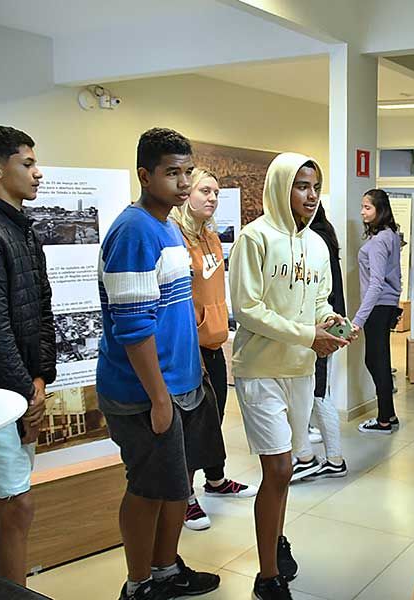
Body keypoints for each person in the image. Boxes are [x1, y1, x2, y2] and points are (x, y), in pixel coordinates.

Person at [97, 128, 221, 600]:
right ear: (145, 175)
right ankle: (139, 584)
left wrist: (193, 372)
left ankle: (167, 569)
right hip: (145, 393)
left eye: (188, 171)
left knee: (175, 486)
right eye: (173, 173)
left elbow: (175, 313)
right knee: (148, 488)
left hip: (181, 384)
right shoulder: (133, 230)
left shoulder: (167, 225)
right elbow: (133, 328)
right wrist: (159, 398)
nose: (184, 182)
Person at [230, 152, 349, 600]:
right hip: (260, 370)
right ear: (281, 187)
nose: (311, 195)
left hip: (301, 369)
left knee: (285, 470)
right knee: (278, 468)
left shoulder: (317, 245)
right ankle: (267, 577)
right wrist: (308, 334)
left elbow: (318, 302)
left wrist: (331, 322)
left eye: (316, 187)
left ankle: (275, 539)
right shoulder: (254, 238)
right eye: (301, 186)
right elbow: (247, 309)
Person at [0, 126, 54, 588]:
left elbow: (41, 308)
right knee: (16, 501)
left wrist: (40, 377)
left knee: (9, 498)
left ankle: (4, 588)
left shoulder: (20, 228)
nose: (37, 172)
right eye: (27, 163)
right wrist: (27, 391)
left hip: (21, 390)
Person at [170, 168, 258, 531]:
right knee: (192, 423)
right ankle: (184, 496)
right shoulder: (174, 238)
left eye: (216, 193)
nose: (212, 198)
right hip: (189, 347)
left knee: (215, 415)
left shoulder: (209, 236)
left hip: (214, 342)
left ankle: (216, 479)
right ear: (186, 193)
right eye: (205, 191)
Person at [291, 205, 349, 481]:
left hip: (320, 328)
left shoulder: (315, 240)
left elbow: (321, 294)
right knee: (313, 393)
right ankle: (311, 456)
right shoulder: (323, 235)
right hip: (321, 326)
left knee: (318, 393)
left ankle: (330, 459)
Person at [354, 189, 403, 434]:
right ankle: (389, 415)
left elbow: (376, 283)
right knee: (379, 359)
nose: (362, 212)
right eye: (362, 207)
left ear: (380, 210)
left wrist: (358, 319)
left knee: (375, 360)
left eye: (367, 207)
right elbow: (396, 276)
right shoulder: (391, 235)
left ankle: (384, 420)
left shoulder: (380, 241)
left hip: (377, 306)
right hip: (385, 305)